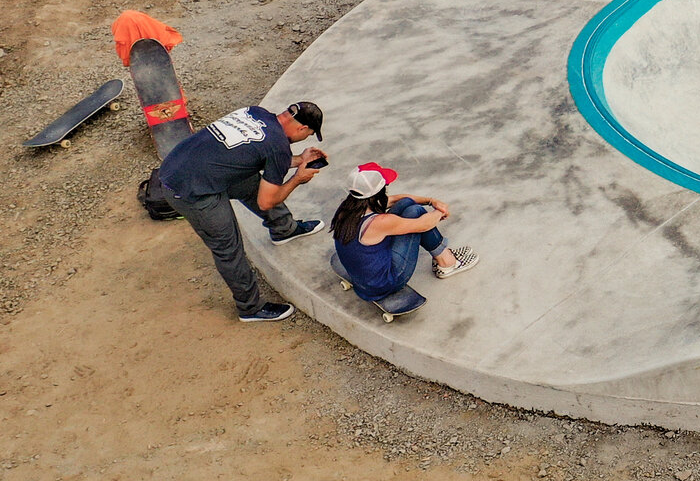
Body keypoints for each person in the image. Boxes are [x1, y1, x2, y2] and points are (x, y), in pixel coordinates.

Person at [156, 99, 329, 323]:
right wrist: (298, 179)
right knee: (228, 247)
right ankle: (250, 308)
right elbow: (267, 201)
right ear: (302, 128)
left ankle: (284, 229)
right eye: (308, 135)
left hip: (180, 167)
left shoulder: (256, 113)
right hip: (190, 191)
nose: (305, 139)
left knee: (250, 180)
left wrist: (298, 160)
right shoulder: (277, 146)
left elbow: (257, 154)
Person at [329, 165, 476, 309]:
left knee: (407, 204)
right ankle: (447, 263)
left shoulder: (348, 207)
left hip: (363, 276)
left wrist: (430, 201)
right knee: (417, 212)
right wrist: (440, 211)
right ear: (378, 191)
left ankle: (443, 256)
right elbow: (423, 225)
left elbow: (398, 199)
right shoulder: (379, 223)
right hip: (384, 283)